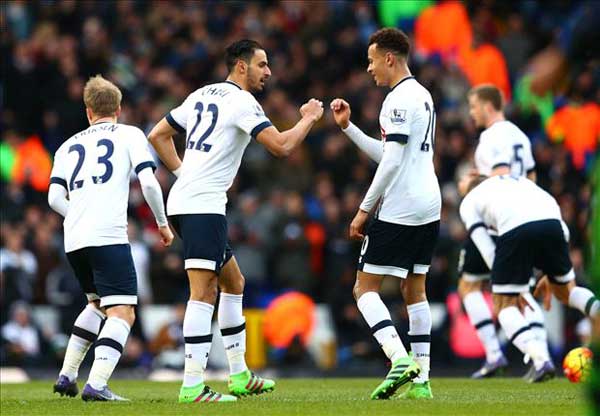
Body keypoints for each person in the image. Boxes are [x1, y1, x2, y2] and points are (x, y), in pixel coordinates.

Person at [148, 39, 323, 403]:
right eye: (262, 64)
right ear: (241, 67)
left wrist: (183, 173)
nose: (268, 71)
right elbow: (282, 147)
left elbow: (158, 135)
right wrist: (307, 118)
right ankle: (193, 385)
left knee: (234, 282)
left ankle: (240, 374)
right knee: (204, 291)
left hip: (191, 201)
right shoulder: (243, 102)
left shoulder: (199, 95)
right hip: (202, 206)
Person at [331, 27, 440, 400]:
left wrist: (363, 211)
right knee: (415, 289)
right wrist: (348, 129)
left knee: (364, 289)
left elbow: (391, 163)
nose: (369, 68)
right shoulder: (422, 95)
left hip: (402, 206)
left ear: (389, 58)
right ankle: (422, 379)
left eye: (372, 59)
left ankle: (398, 358)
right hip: (430, 204)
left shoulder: (395, 101)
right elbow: (392, 153)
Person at [48, 75, 173, 401]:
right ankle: (97, 383)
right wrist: (162, 222)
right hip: (108, 235)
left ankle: (66, 376)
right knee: (123, 312)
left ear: (88, 111)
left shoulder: (67, 146)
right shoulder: (130, 134)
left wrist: (77, 214)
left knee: (97, 304)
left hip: (74, 238)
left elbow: (53, 198)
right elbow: (148, 182)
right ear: (118, 108)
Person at [459, 174, 599, 382]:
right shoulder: (518, 182)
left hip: (516, 228)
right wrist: (547, 271)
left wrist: (508, 286)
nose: (461, 181)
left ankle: (541, 360)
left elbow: (487, 249)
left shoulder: (469, 201)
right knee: (566, 290)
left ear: (470, 186)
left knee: (504, 305)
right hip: (554, 224)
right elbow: (561, 227)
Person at [459, 84, 550, 379]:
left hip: (495, 219)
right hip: (526, 216)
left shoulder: (491, 137)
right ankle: (541, 354)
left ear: (487, 106)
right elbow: (531, 176)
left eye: (473, 107)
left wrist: (474, 183)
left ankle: (496, 355)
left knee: (471, 287)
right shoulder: (519, 135)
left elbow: (500, 175)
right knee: (522, 289)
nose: (471, 114)